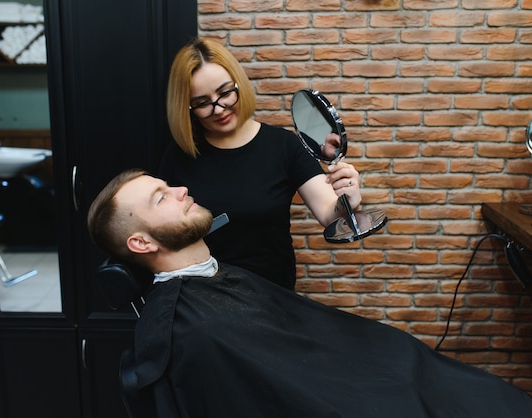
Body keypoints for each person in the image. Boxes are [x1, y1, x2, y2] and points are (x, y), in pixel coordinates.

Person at [87, 169, 532, 418]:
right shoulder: (192, 329)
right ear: (142, 243)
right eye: (162, 197)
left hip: (396, 373)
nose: (182, 188)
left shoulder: (217, 282)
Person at [158, 37, 362, 290]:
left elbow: (330, 214)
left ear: (238, 85)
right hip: (204, 300)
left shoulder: (283, 146)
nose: (219, 109)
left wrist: (347, 200)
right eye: (202, 103)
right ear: (187, 108)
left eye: (225, 93)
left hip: (273, 296)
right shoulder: (178, 157)